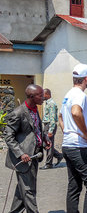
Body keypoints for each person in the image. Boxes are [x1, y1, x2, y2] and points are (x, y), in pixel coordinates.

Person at [59, 63, 87, 213]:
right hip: (79, 146)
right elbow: (76, 113)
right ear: (86, 78)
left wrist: (67, 132)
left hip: (68, 145)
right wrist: (86, 134)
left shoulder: (68, 94)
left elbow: (61, 117)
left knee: (74, 185)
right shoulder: (79, 95)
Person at [4, 84, 51, 213]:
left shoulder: (35, 109)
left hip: (34, 156)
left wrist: (44, 138)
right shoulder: (18, 113)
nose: (43, 98)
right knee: (29, 191)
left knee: (22, 191)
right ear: (31, 96)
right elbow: (8, 136)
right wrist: (20, 154)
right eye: (40, 95)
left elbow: (35, 129)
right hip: (24, 159)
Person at [40, 88, 63, 170]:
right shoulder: (48, 103)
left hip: (50, 125)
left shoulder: (51, 104)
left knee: (48, 144)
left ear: (47, 94)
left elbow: (52, 118)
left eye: (43, 95)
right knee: (44, 144)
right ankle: (58, 155)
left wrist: (50, 130)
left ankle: (49, 163)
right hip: (47, 125)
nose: (42, 96)